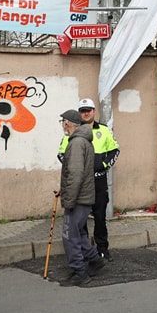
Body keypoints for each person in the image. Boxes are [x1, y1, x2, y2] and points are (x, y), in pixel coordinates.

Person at [58, 109, 106, 286]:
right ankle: (95, 260)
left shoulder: (77, 143)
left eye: (64, 122)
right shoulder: (83, 141)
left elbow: (76, 173)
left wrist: (69, 199)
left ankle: (80, 271)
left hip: (78, 199)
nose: (63, 125)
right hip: (83, 197)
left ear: (70, 123)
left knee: (70, 235)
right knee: (80, 233)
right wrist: (64, 190)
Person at [77, 98, 120, 260]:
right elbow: (62, 154)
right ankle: (86, 250)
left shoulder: (104, 130)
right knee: (81, 219)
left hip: (99, 181)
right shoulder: (74, 131)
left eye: (89, 110)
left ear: (94, 111)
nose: (86, 113)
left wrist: (103, 164)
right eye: (83, 110)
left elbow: (115, 151)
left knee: (100, 217)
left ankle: (102, 249)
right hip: (81, 183)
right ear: (79, 113)